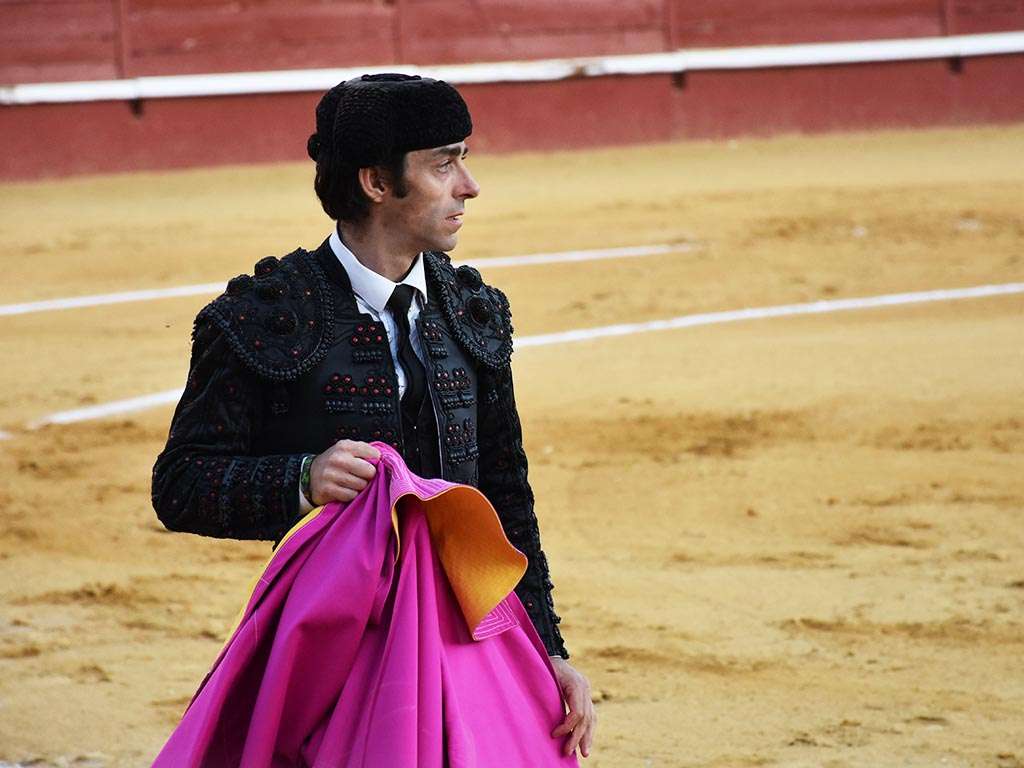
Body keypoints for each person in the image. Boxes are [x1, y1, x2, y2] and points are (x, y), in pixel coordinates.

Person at [151, 73, 596, 758]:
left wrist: (547, 647)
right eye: (444, 164)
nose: (467, 187)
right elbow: (182, 483)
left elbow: (502, 494)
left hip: (466, 633)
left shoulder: (472, 311)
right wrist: (302, 478)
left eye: (463, 161)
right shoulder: (263, 318)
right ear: (377, 184)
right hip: (334, 647)